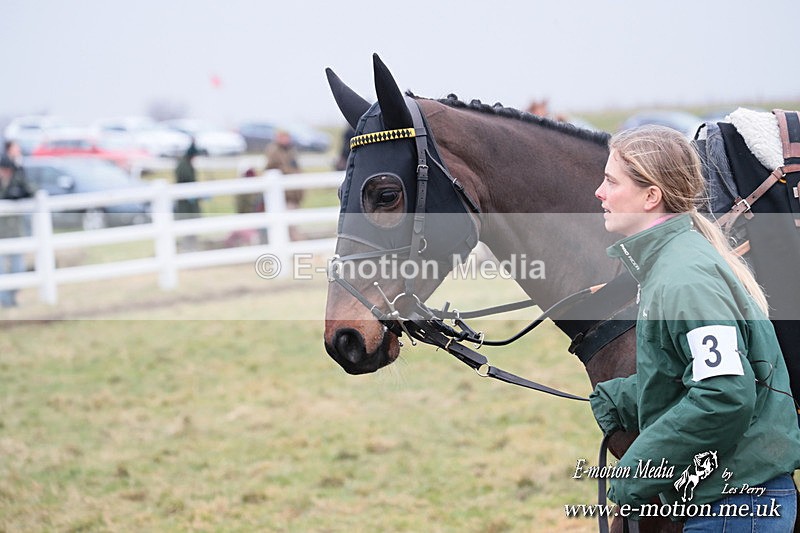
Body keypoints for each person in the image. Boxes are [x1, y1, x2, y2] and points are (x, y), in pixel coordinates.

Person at [590, 125, 800, 531]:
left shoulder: (683, 277)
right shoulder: (670, 263)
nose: (599, 192)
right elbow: (692, 374)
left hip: (735, 507)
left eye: (611, 181)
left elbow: (724, 394)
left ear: (652, 196)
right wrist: (621, 398)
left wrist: (640, 468)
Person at [0, 141, 33, 308]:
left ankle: (9, 298)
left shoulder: (18, 176)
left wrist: (20, 193)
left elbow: (32, 190)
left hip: (14, 230)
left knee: (18, 268)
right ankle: (5, 301)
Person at [174, 141, 201, 250]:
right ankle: (188, 247)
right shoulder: (183, 166)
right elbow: (185, 181)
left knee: (192, 224)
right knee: (187, 223)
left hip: (190, 202)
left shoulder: (187, 164)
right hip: (185, 202)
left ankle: (192, 246)